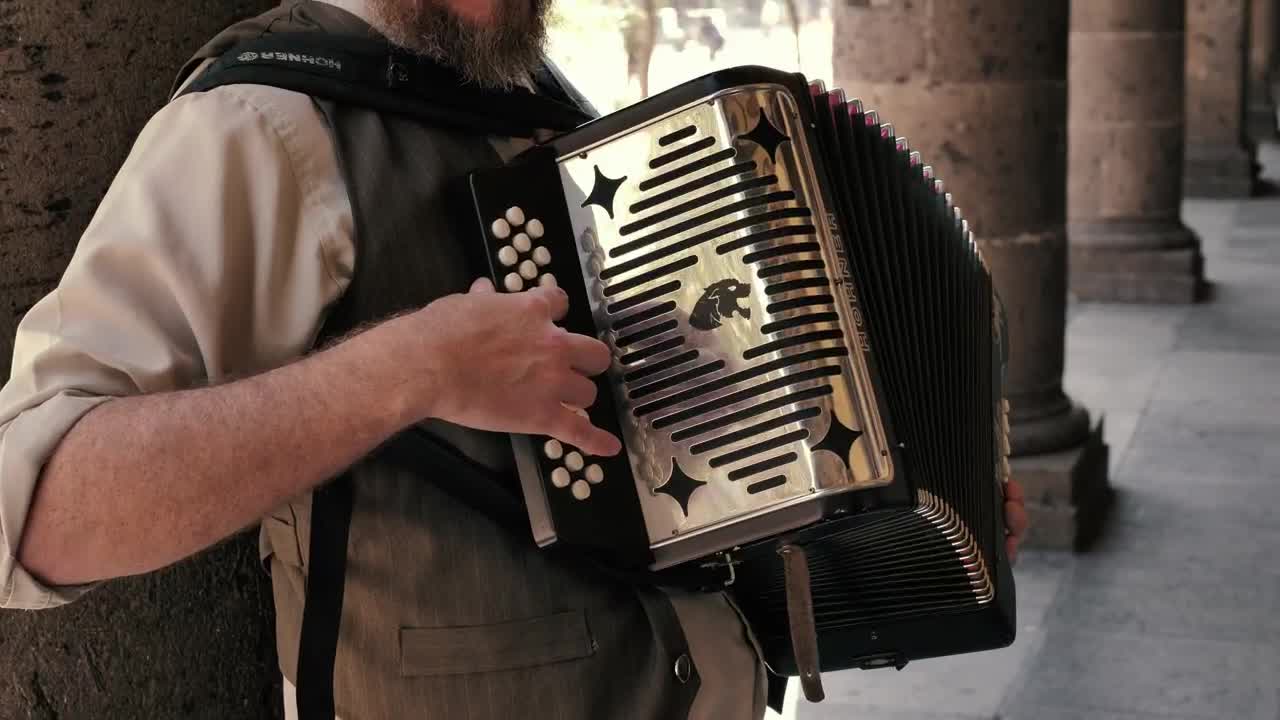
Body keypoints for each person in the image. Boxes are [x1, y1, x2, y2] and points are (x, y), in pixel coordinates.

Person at [0, 1, 1030, 719]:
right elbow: (37, 512)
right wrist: (406, 370)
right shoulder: (262, 126)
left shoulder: (557, 116)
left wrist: (906, 526)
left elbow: (678, 507)